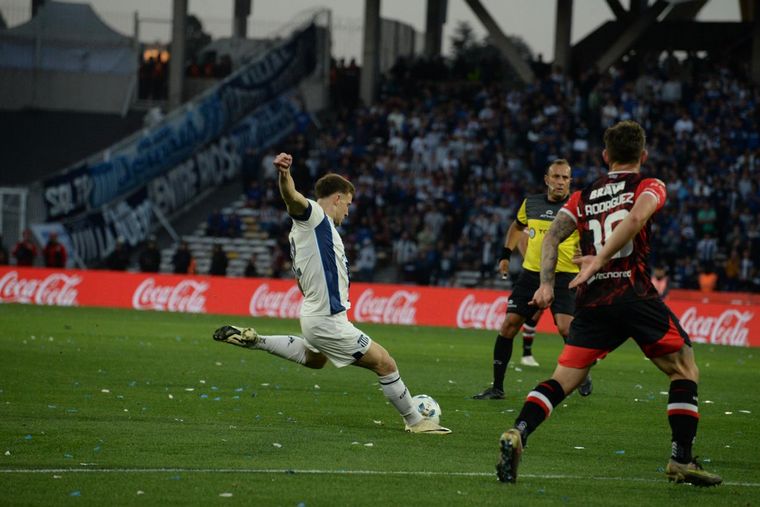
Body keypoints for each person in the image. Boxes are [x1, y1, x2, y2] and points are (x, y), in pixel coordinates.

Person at [496, 120, 722, 486]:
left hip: (593, 300)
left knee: (563, 379)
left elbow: (552, 236)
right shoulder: (649, 185)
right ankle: (681, 459)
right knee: (684, 368)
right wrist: (602, 259)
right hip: (634, 294)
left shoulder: (582, 196)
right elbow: (636, 217)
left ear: (605, 156)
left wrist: (547, 285)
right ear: (643, 155)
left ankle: (519, 430)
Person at [213, 152, 451, 434]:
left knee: (315, 360)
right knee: (385, 363)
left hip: (313, 314)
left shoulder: (307, 233)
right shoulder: (315, 217)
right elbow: (293, 199)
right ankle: (415, 421)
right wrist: (285, 175)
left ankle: (256, 340)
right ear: (337, 198)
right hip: (327, 319)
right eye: (348, 204)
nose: (348, 211)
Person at [473, 159, 592, 400]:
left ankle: (582, 372)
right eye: (556, 177)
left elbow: (594, 233)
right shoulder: (531, 203)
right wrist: (505, 255)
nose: (560, 182)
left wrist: (588, 253)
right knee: (508, 326)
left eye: (565, 178)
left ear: (570, 181)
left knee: (565, 327)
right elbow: (516, 228)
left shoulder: (577, 207)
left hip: (564, 275)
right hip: (531, 274)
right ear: (547, 179)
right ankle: (497, 387)